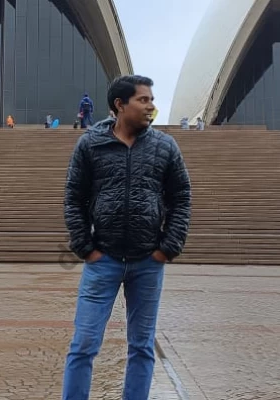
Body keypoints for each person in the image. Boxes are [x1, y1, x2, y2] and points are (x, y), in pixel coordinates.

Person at [62, 75, 192, 400]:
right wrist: (85, 248)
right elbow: (74, 198)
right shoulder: (90, 144)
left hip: (148, 261)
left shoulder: (165, 146)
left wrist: (168, 248)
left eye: (152, 100)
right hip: (102, 260)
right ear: (120, 105)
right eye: (143, 100)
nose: (151, 106)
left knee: (142, 346)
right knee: (83, 344)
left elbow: (181, 198)